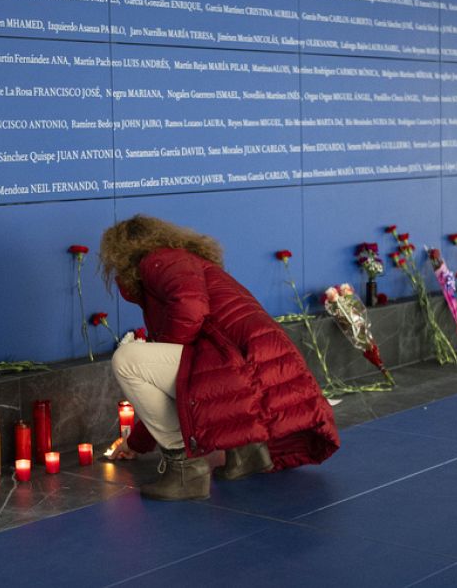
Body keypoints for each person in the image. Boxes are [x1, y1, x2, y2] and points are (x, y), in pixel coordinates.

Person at [100, 215, 340, 501]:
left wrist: (176, 352)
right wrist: (136, 443)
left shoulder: (159, 260)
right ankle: (248, 451)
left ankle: (185, 471)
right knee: (178, 364)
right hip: (250, 362)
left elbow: (191, 308)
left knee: (127, 359)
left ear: (122, 252)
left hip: (240, 362)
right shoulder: (181, 260)